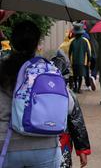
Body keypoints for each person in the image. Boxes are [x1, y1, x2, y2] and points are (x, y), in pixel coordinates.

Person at [0, 20, 64, 167]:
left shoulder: (2, 68)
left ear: (12, 43)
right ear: (37, 44)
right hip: (45, 144)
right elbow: (67, 106)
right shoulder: (48, 70)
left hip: (6, 144)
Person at [50, 48, 92, 168]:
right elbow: (77, 123)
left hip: (40, 142)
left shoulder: (35, 89)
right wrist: (82, 150)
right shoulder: (67, 94)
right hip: (63, 140)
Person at [68, 23, 92, 94]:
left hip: (74, 61)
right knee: (81, 75)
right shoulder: (85, 41)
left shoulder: (73, 41)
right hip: (82, 62)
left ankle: (75, 86)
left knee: (75, 75)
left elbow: (69, 52)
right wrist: (88, 61)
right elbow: (88, 52)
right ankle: (79, 88)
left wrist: (69, 60)